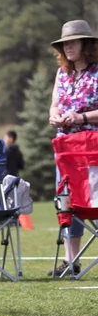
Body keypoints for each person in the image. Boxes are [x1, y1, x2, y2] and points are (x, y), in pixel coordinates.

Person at [48, 19, 98, 277]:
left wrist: (82, 118)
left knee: (95, 202)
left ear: (86, 44)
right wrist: (54, 115)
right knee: (67, 203)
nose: (68, 47)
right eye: (65, 43)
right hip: (66, 150)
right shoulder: (62, 73)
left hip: (94, 149)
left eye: (73, 42)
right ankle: (71, 261)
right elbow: (54, 104)